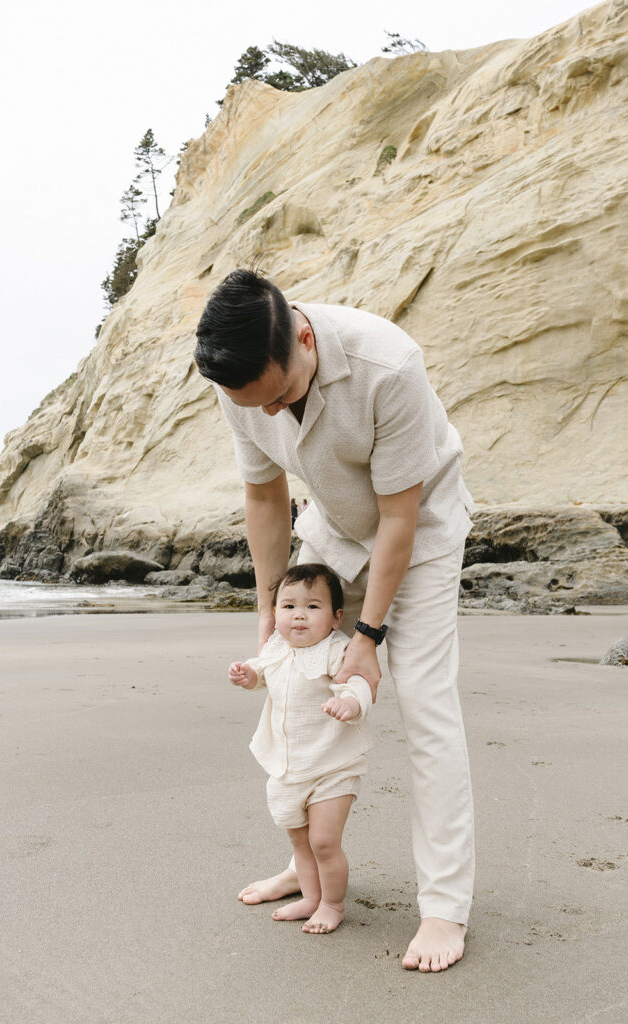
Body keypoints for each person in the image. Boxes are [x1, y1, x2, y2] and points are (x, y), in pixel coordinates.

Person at [195, 268, 475, 973]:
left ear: (304, 338)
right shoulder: (243, 383)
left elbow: (398, 516)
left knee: (422, 702)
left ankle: (444, 906)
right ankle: (309, 864)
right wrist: (268, 610)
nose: (267, 413)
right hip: (329, 532)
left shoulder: (387, 366)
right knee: (297, 684)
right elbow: (265, 497)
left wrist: (370, 637)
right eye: (250, 406)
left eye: (280, 397)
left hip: (420, 533)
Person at [228, 562, 372, 934]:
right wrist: (248, 676)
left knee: (323, 842)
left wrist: (351, 703)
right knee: (301, 843)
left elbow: (357, 682)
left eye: (312, 607)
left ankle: (332, 904)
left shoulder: (336, 650)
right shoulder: (277, 646)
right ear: (275, 613)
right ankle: (309, 897)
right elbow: (262, 671)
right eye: (288, 606)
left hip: (332, 765)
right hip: (287, 768)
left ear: (336, 617)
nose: (299, 616)